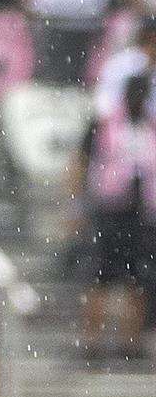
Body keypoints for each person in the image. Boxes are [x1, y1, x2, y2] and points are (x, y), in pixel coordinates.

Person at [72, 72, 156, 359]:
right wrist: (77, 205)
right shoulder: (105, 125)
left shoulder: (150, 128)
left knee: (139, 280)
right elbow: (81, 162)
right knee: (99, 278)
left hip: (142, 214)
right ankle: (92, 343)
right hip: (109, 210)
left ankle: (131, 343)